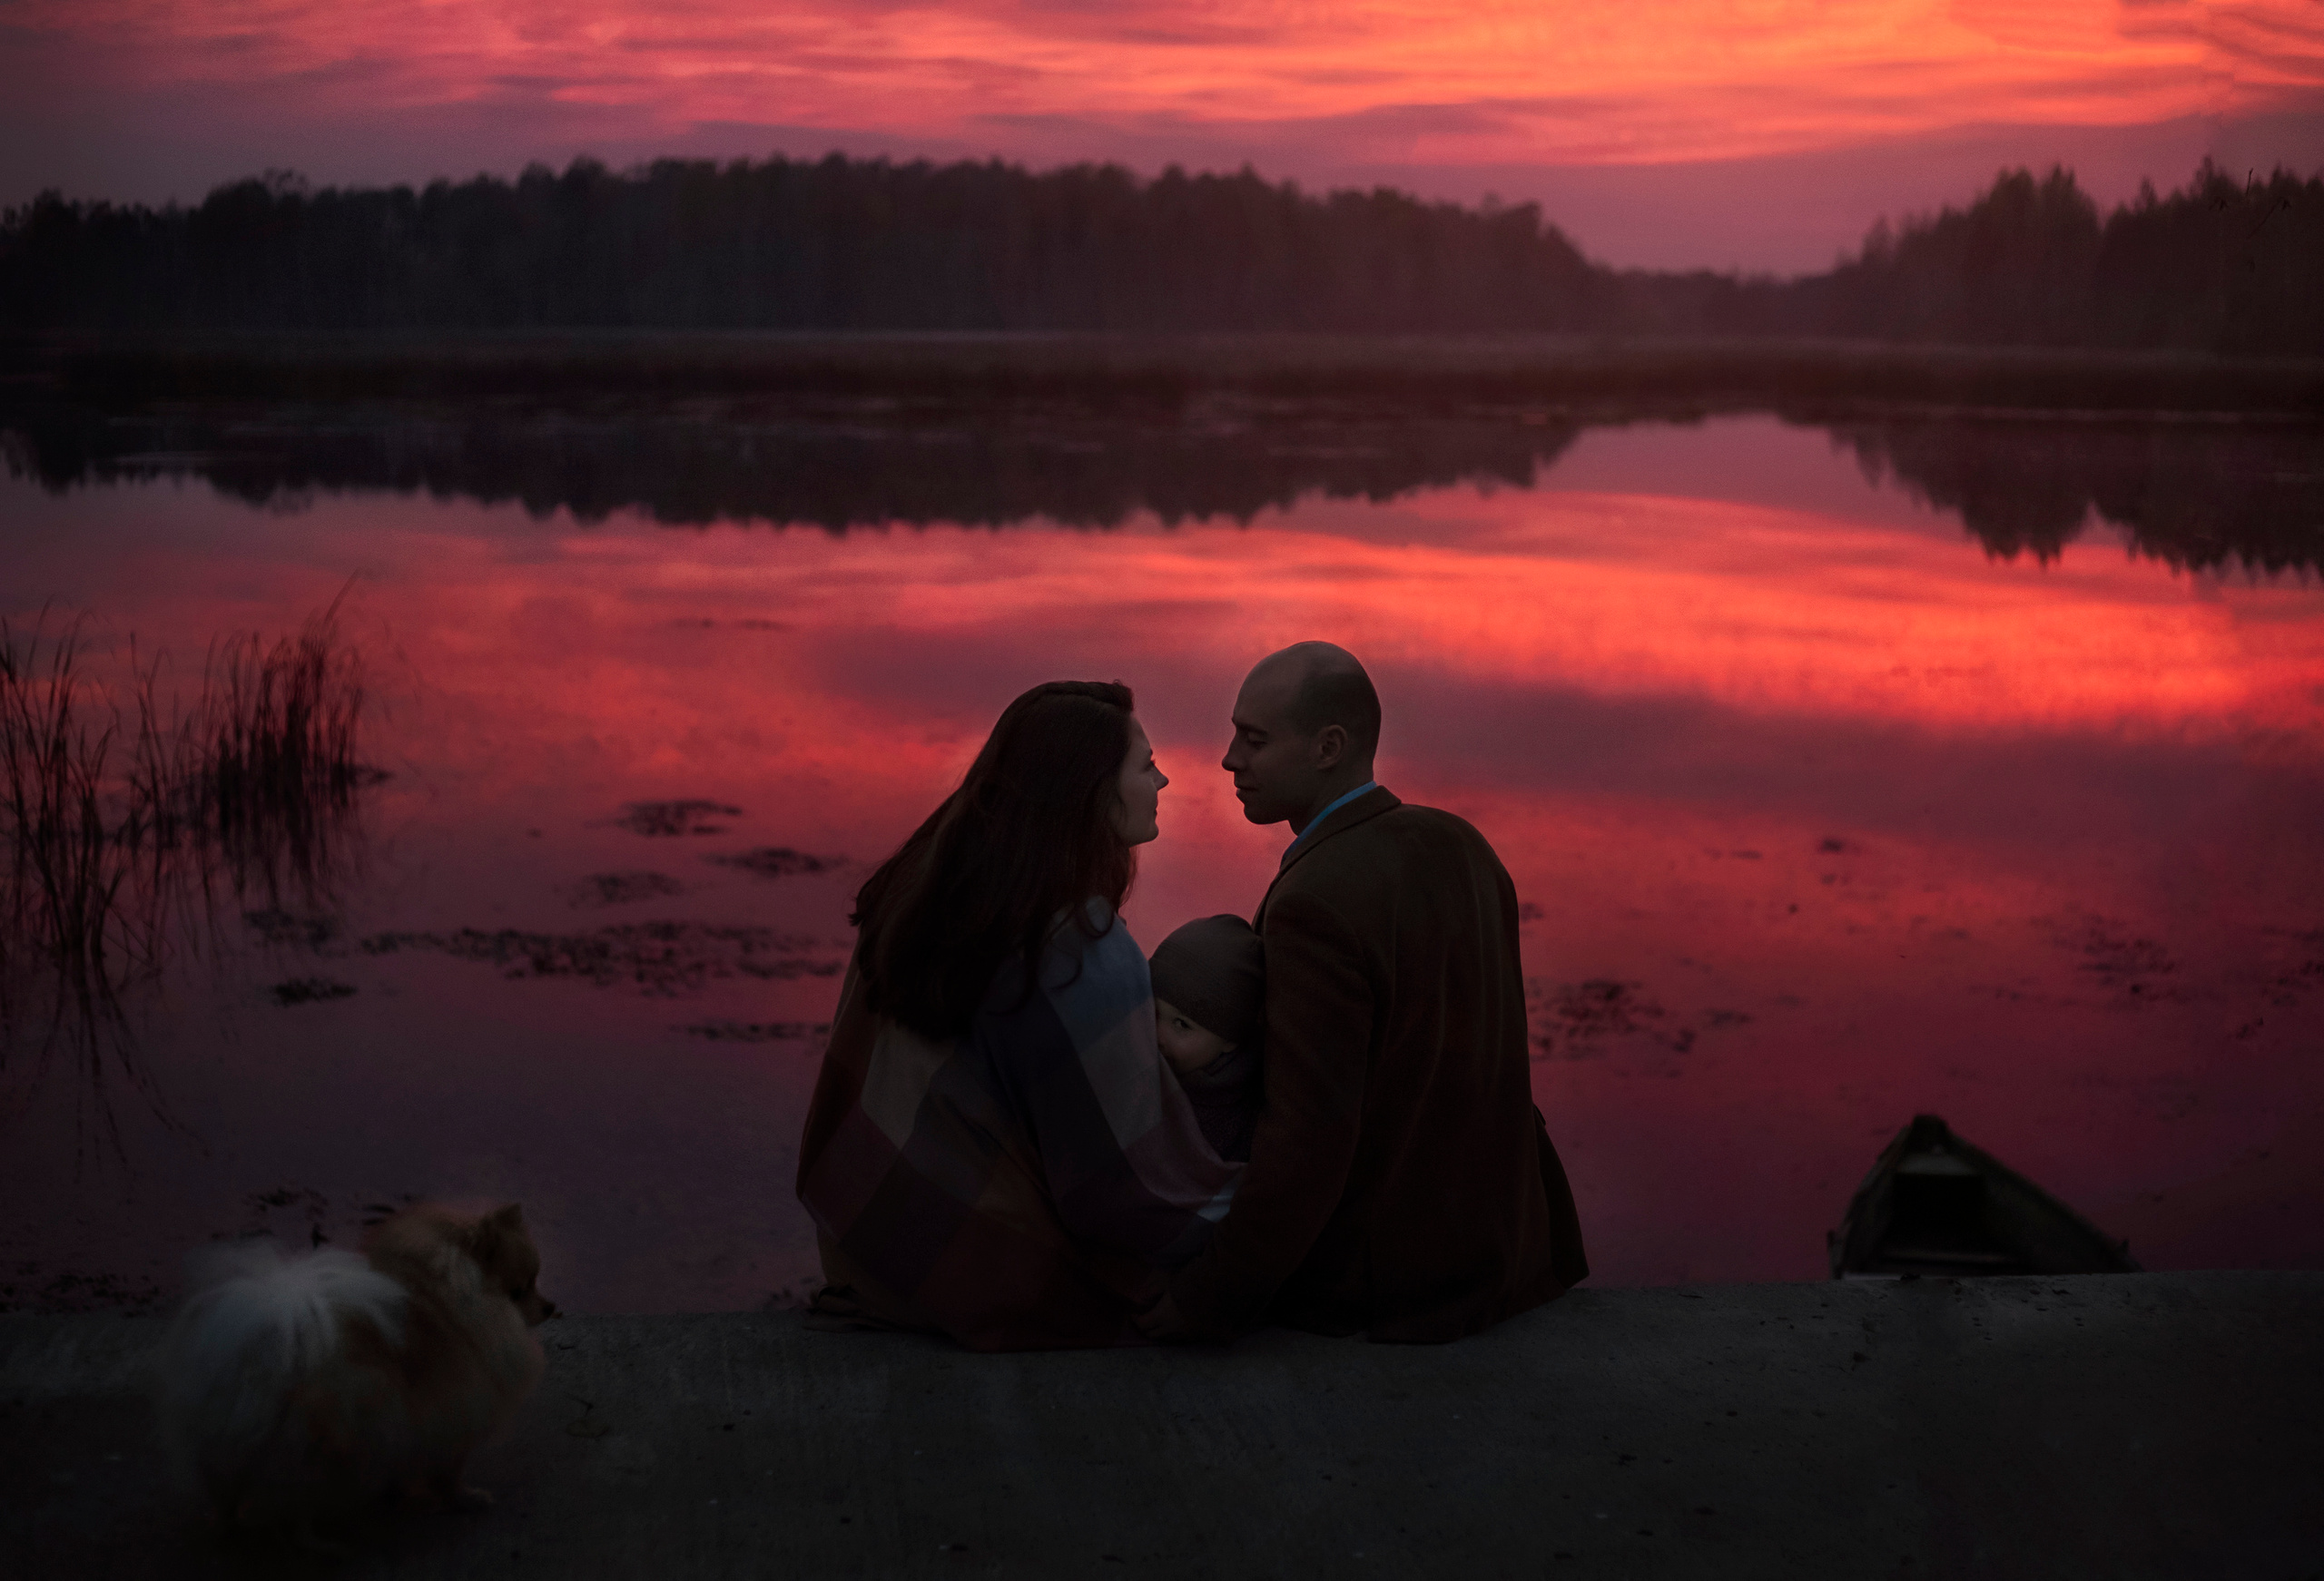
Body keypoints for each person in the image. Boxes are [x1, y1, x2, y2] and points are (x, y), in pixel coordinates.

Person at [1140, 642, 1588, 1343]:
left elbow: (1308, 1137)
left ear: (1329, 747)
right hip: (1509, 1254)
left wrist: (1208, 1300)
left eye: (1253, 740)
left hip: (1394, 1289)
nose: (1229, 759)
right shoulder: (1464, 846)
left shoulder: (1314, 900)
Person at [795, 681, 1240, 1350]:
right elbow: (1121, 1195)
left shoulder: (921, 895)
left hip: (868, 1250)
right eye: (1146, 765)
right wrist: (1253, 1212)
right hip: (986, 1280)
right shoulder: (1075, 950)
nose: (1165, 778)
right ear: (1091, 791)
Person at [1148, 915, 1267, 1164]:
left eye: (1182, 1024)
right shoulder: (1134, 1073)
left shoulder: (1243, 1122)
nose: (1157, 1034)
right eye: (1153, 1012)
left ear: (1230, 1039)